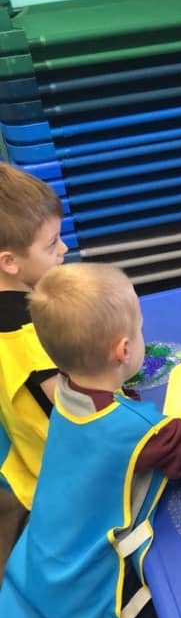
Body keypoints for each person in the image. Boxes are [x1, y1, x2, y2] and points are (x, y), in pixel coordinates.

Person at [0, 263, 181, 618]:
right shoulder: (134, 428)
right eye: (139, 330)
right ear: (123, 350)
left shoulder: (65, 391)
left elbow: (114, 457)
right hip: (83, 590)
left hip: (41, 562)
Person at [0, 163, 67, 514]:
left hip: (26, 467)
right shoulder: (30, 333)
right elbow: (85, 413)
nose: (64, 249)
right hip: (68, 484)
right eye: (52, 243)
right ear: (9, 262)